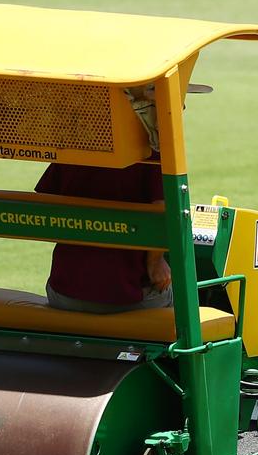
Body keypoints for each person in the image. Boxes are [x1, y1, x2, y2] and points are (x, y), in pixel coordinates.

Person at [39, 83, 175, 313]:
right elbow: (161, 211)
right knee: (177, 287)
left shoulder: (74, 146)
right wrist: (155, 263)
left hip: (64, 292)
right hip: (126, 298)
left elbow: (47, 202)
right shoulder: (149, 153)